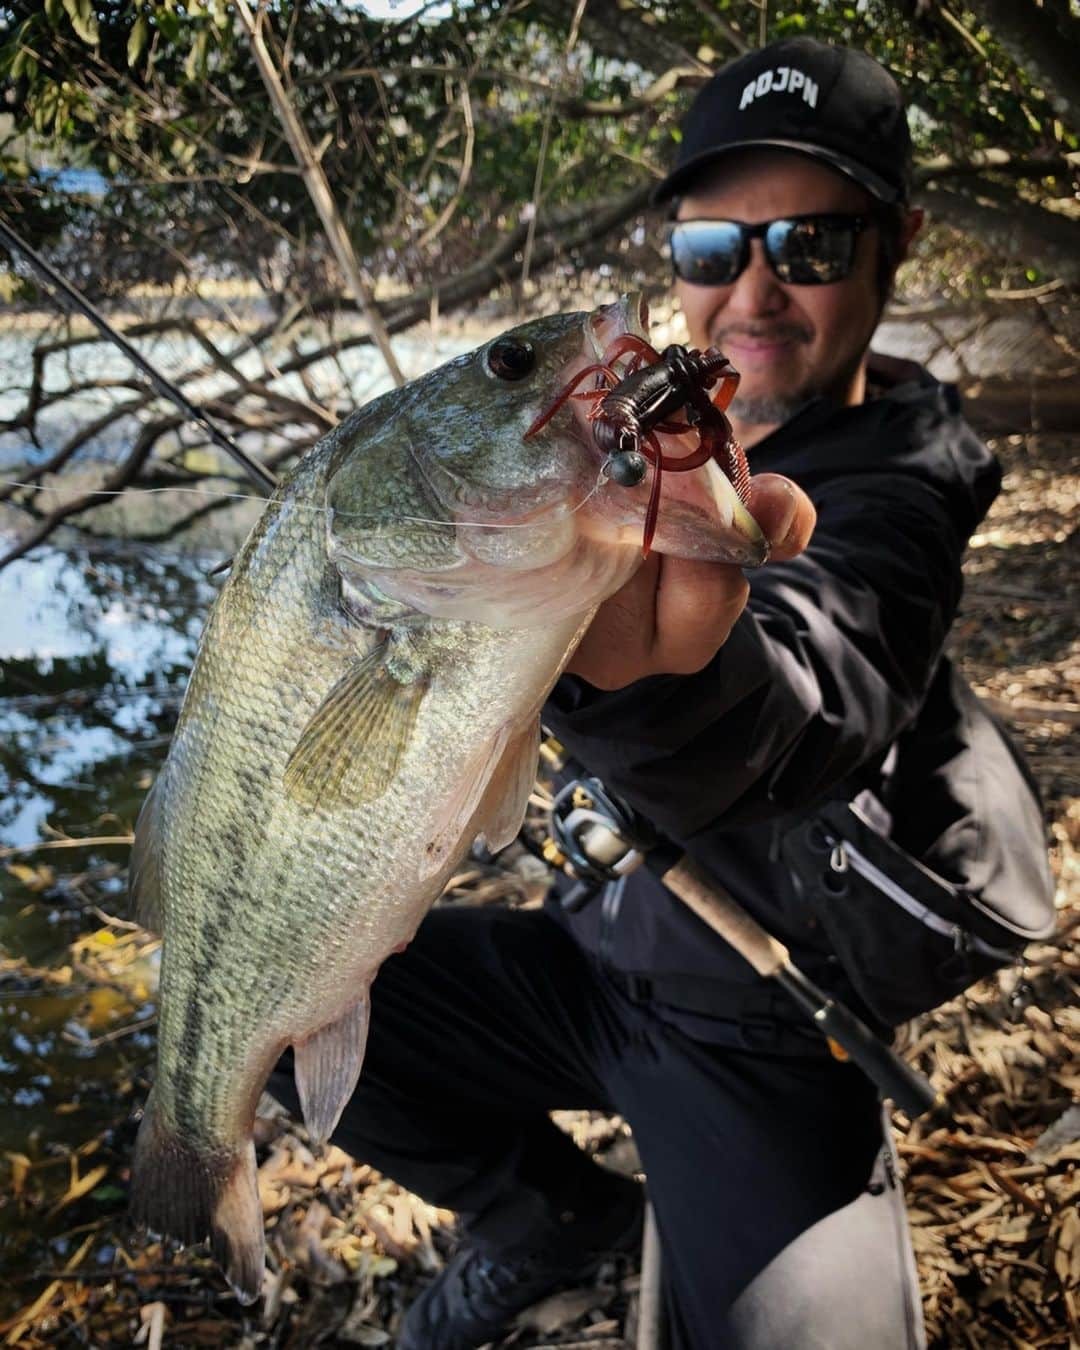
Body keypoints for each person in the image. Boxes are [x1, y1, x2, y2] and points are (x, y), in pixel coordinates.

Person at [269, 35, 1054, 1350]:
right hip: (594, 956)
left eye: (809, 244)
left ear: (898, 242)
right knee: (273, 1020)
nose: (753, 289)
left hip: (757, 1022)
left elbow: (812, 691)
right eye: (711, 249)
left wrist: (655, 676)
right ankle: (548, 1214)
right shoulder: (625, 432)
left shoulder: (896, 488)